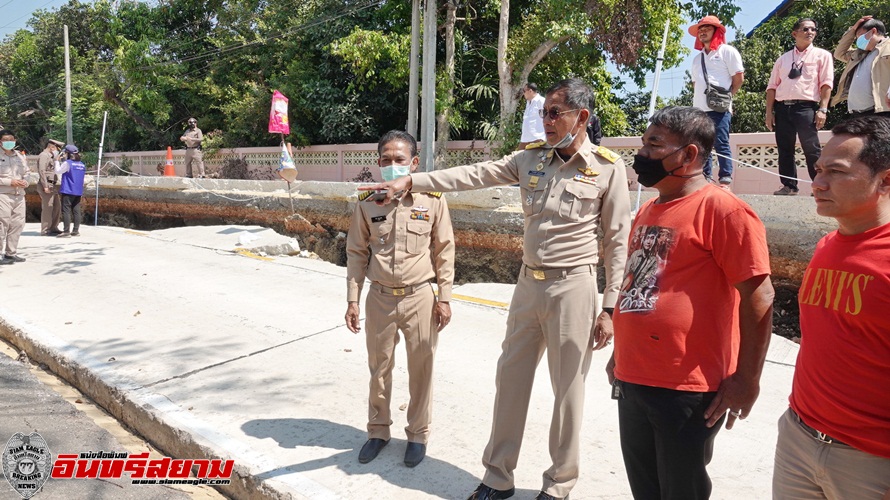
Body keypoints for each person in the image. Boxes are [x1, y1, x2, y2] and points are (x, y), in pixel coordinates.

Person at [366, 78, 631, 500]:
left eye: (554, 113)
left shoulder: (607, 169)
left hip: (574, 287)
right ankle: (497, 477)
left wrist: (610, 308)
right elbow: (474, 174)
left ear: (581, 117)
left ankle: (559, 484)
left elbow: (619, 242)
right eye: (544, 112)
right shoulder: (530, 160)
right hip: (528, 285)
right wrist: (412, 182)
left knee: (568, 394)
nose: (545, 120)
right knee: (509, 382)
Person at [608, 106, 774, 499]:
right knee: (645, 488)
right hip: (634, 376)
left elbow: (759, 295)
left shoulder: (724, 210)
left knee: (681, 490)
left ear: (689, 155)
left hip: (686, 386)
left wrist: (747, 379)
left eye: (654, 144)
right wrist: (620, 352)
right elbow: (640, 285)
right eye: (643, 143)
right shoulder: (649, 209)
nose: (642, 154)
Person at [772, 113, 890, 499]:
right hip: (798, 439)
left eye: (836, 172)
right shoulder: (826, 247)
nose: (817, 183)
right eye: (818, 169)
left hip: (871, 463)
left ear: (886, 179)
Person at [345, 130, 455, 468]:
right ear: (378, 163)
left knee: (422, 368)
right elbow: (356, 253)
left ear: (414, 163)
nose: (392, 165)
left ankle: (418, 435)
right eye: (386, 160)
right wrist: (352, 299)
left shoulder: (432, 200)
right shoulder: (367, 204)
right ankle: (378, 431)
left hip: (420, 296)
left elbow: (444, 250)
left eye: (400, 160)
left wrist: (445, 297)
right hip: (379, 298)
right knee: (379, 369)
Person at [766, 18, 834, 196]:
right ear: (795, 33)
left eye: (813, 29)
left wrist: (823, 109)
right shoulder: (783, 59)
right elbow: (772, 87)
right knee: (785, 149)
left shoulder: (822, 55)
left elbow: (826, 84)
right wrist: (769, 113)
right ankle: (789, 186)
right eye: (805, 29)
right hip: (782, 108)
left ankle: (819, 186)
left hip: (806, 107)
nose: (810, 32)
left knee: (811, 148)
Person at [689, 15, 744, 189]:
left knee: (721, 142)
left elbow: (738, 78)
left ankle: (725, 179)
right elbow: (695, 84)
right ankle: (705, 178)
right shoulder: (697, 59)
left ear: (717, 31)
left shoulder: (727, 51)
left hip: (720, 107)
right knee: (702, 145)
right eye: (700, 29)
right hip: (699, 109)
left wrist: (727, 99)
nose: (702, 32)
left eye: (707, 28)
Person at [831, 16, 890, 116]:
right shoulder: (858, 54)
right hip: (856, 112)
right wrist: (853, 30)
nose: (858, 41)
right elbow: (839, 53)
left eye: (860, 35)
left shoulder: (887, 48)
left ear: (873, 31)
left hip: (881, 111)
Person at [0, 129, 30, 265]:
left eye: (11, 140)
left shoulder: (19, 156)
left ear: (15, 141)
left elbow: (27, 172)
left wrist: (26, 181)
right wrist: (9, 182)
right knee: (2, 224)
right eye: (5, 140)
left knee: (17, 224)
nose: (8, 142)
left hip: (19, 195)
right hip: (3, 194)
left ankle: (10, 253)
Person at [55, 144, 86, 238]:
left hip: (68, 190)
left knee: (66, 210)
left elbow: (58, 171)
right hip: (78, 191)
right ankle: (76, 231)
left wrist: (57, 161)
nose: (64, 154)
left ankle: (66, 232)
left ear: (68, 153)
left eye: (65, 153)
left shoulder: (67, 163)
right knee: (76, 211)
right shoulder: (81, 164)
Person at [36, 139, 65, 235]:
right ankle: (45, 229)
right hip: (46, 184)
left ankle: (53, 227)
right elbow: (42, 171)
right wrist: (45, 186)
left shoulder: (51, 156)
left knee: (57, 206)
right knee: (48, 207)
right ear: (52, 147)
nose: (57, 151)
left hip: (52, 185)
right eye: (57, 149)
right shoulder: (44, 155)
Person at [516, 83, 546, 150]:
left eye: (524, 91)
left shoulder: (541, 101)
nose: (523, 93)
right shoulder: (528, 103)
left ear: (530, 91)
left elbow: (547, 117)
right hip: (525, 138)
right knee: (517, 157)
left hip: (537, 138)